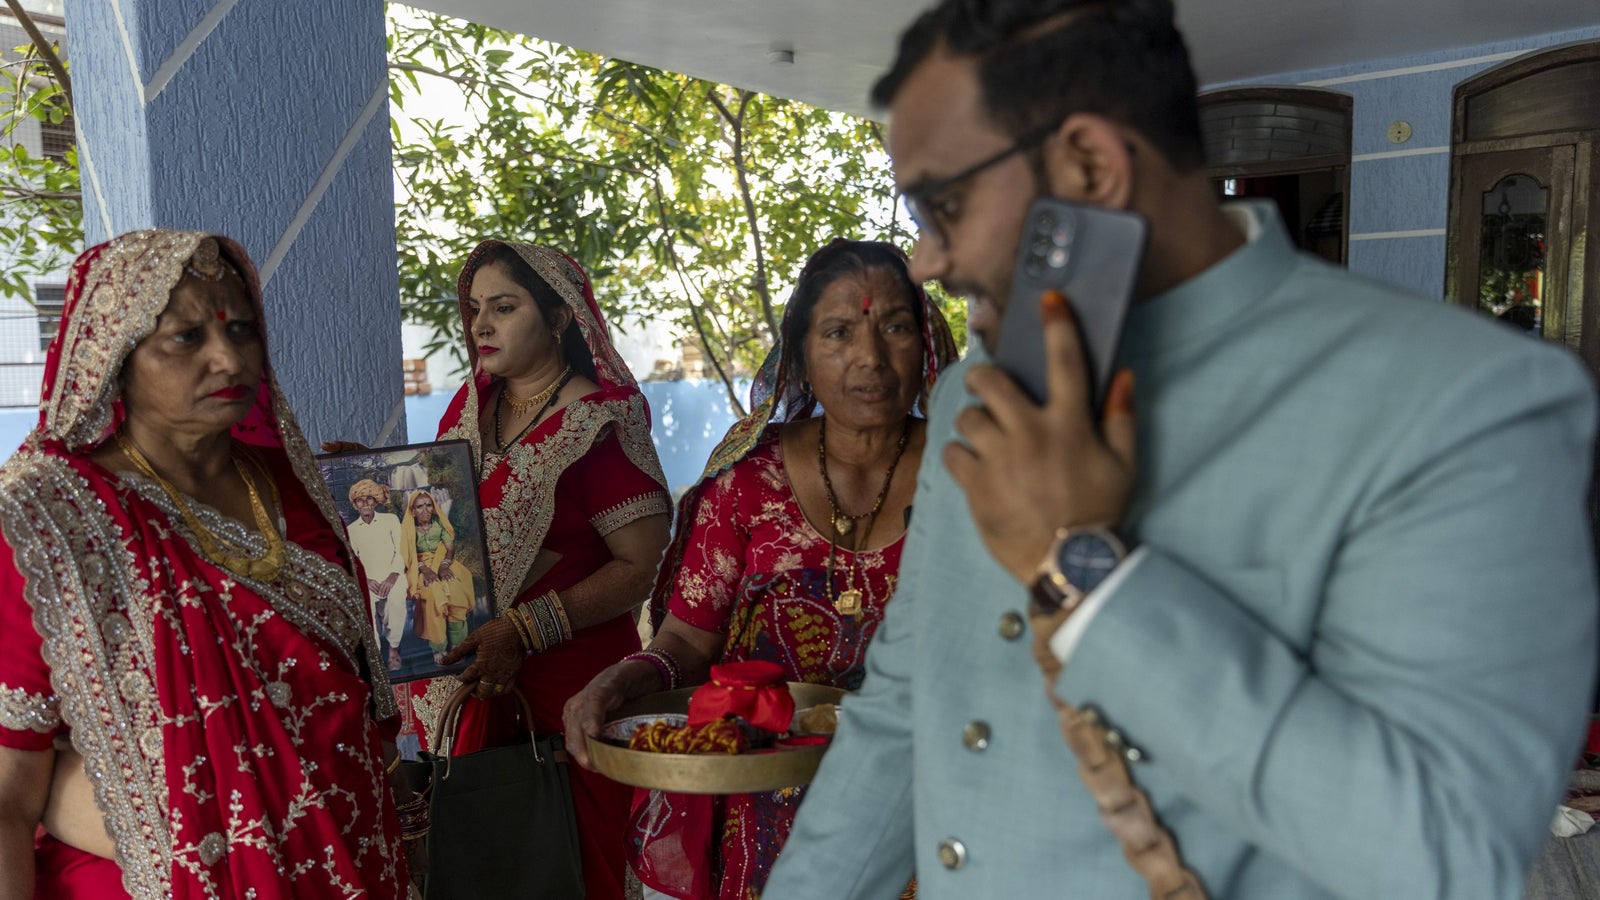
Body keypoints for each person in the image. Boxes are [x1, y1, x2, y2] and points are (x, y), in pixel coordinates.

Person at [762, 3, 1599, 899]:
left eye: (945, 205)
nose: (926, 260)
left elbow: (1444, 854)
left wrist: (1083, 571)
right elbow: (900, 720)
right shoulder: (977, 392)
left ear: (1089, 164)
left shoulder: (1463, 404)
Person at [0, 231, 409, 898]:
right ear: (115, 358)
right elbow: (8, 798)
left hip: (349, 867)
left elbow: (352, 701)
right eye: (185, 338)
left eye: (242, 329)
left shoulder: (292, 483)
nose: (229, 357)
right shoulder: (51, 520)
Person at [564, 239, 957, 900]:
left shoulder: (973, 473)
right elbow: (687, 642)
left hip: (927, 803)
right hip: (767, 816)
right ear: (800, 353)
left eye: (894, 327)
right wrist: (624, 677)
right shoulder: (748, 480)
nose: (869, 358)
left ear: (927, 345)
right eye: (838, 332)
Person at [371, 240, 671, 900]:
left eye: (503, 308)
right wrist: (373, 489)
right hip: (475, 684)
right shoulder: (468, 410)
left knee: (566, 864)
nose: (480, 325)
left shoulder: (598, 424)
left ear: (560, 317)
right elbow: (446, 533)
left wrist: (526, 628)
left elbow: (640, 566)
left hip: (570, 697)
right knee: (486, 864)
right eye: (475, 308)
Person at [402, 487, 476, 663]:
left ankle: (458, 645)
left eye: (428, 505)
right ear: (412, 511)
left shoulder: (439, 523)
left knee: (456, 589)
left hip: (443, 561)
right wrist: (425, 569)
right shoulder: (407, 528)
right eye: (419, 506)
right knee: (434, 595)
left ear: (434, 507)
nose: (425, 510)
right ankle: (438, 647)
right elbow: (408, 556)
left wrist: (443, 566)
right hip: (420, 568)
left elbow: (450, 549)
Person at [348, 478, 409, 670]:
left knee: (397, 599)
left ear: (375, 501)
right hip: (368, 581)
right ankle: (374, 658)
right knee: (366, 611)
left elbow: (401, 551)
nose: (365, 503)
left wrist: (392, 577)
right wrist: (366, 581)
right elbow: (353, 562)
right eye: (360, 500)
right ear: (355, 505)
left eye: (369, 499)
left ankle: (393, 649)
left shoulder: (390, 520)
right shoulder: (350, 530)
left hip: (393, 574)